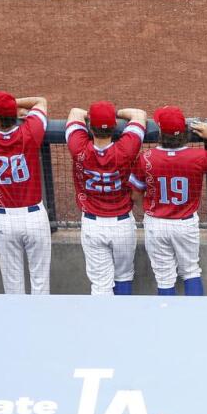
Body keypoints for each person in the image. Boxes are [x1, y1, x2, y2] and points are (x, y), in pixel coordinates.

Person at [130, 106, 207, 295]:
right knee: (191, 271)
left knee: (164, 277)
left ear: (160, 133)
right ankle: (195, 319)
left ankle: (168, 322)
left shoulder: (146, 158)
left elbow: (135, 195)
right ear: (184, 132)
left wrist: (150, 212)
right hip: (186, 224)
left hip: (156, 224)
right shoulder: (199, 156)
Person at [0, 89, 51, 296]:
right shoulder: (30, 132)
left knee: (13, 286)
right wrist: (14, 106)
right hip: (35, 218)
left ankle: (18, 326)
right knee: (40, 283)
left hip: (5, 220)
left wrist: (2, 107)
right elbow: (40, 100)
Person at [66, 100, 147, 295]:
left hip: (93, 226)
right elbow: (139, 114)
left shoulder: (78, 148)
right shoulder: (126, 150)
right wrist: (113, 114)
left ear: (90, 128)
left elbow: (75, 111)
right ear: (115, 126)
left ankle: (102, 324)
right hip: (122, 225)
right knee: (124, 277)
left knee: (101, 286)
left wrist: (93, 116)